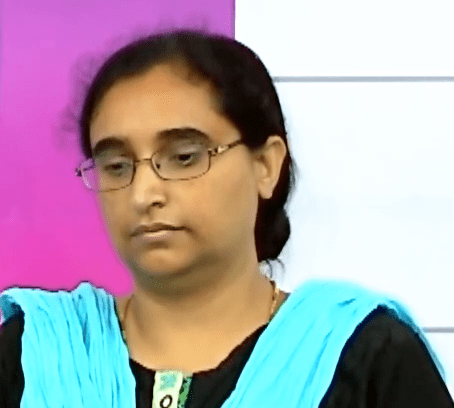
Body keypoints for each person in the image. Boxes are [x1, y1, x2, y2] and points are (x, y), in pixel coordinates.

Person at [0, 28, 452, 408]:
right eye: (117, 166)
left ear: (266, 166)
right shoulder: (33, 355)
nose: (143, 194)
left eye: (183, 157)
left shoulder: (363, 357)